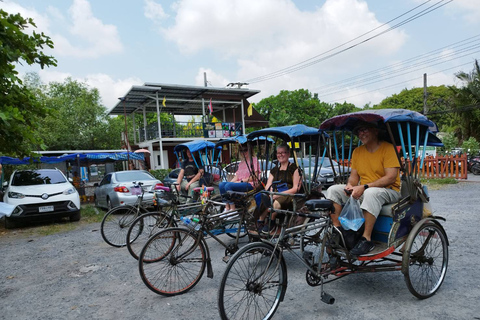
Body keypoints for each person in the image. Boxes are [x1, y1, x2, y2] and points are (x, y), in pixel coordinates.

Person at [326, 121, 401, 255]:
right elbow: (354, 177)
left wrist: (365, 187)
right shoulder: (357, 151)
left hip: (389, 190)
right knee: (333, 190)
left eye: (365, 130)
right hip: (365, 189)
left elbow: (390, 177)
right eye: (359, 131)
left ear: (376, 131)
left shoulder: (388, 148)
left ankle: (366, 239)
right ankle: (338, 232)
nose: (361, 133)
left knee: (371, 193)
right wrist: (350, 186)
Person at [257, 143, 301, 234]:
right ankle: (260, 221)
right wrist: (271, 192)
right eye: (278, 153)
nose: (280, 155)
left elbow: (295, 188)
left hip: (288, 194)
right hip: (274, 192)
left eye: (283, 153)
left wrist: (277, 195)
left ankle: (271, 222)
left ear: (288, 154)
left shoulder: (294, 169)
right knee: (260, 197)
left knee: (275, 203)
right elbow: (268, 185)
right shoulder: (274, 170)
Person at [218, 145, 260, 213]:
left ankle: (233, 209)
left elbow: (255, 176)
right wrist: (231, 182)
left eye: (245, 150)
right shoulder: (241, 163)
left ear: (249, 150)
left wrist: (241, 181)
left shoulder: (254, 160)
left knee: (228, 186)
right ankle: (227, 207)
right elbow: (237, 176)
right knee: (221, 185)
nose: (243, 152)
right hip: (240, 183)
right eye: (241, 151)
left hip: (250, 184)